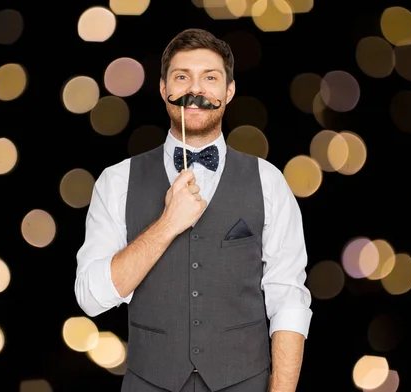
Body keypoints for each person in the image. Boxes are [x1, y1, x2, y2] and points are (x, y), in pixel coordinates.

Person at [75, 28, 312, 392]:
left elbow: (288, 298)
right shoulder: (116, 181)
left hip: (244, 382)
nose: (195, 90)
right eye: (182, 77)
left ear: (229, 91)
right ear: (163, 89)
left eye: (210, 78)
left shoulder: (269, 181)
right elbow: (91, 298)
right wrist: (167, 224)